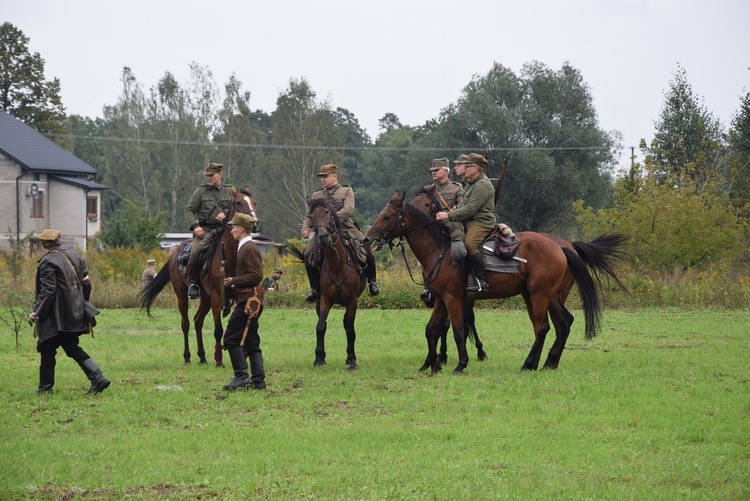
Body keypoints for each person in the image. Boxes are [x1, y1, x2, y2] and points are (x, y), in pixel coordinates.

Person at [29, 229, 110, 395]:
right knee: (72, 347)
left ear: (43, 245)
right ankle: (97, 377)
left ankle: (45, 389)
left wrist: (36, 312)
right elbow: (87, 284)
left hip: (56, 317)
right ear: (58, 242)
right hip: (74, 313)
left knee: (47, 348)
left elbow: (48, 292)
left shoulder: (47, 262)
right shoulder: (75, 257)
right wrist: (81, 303)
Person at [301, 163, 379, 302]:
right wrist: (305, 228)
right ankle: (314, 289)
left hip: (345, 227)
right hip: (323, 230)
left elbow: (348, 209)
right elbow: (309, 216)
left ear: (335, 176)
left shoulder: (346, 191)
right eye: (321, 177)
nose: (323, 179)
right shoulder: (317, 194)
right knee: (307, 254)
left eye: (326, 176)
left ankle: (372, 282)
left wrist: (331, 219)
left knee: (365, 245)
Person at [436, 153, 496, 292]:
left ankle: (482, 281)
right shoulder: (471, 182)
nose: (463, 168)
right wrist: (458, 208)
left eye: (466, 166)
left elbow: (470, 209)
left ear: (475, 168)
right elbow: (466, 204)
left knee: (469, 244)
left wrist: (448, 214)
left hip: (481, 222)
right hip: (469, 220)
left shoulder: (482, 185)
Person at [222, 212, 266, 390]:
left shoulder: (248, 248)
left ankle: (241, 377)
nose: (232, 230)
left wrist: (234, 281)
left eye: (233, 227)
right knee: (251, 341)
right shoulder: (244, 246)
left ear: (240, 229)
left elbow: (257, 275)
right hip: (247, 299)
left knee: (231, 337)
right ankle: (259, 381)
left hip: (249, 300)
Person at [184, 162, 236, 299]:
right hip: (206, 230)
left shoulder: (230, 190)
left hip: (226, 230)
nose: (208, 178)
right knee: (195, 252)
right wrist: (196, 227)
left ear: (220, 174)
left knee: (242, 250)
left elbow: (236, 207)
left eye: (211, 175)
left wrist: (225, 213)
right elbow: (189, 210)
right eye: (207, 175)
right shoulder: (200, 191)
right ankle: (193, 283)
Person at [421, 157, 465, 305]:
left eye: (436, 170)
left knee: (459, 248)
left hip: (450, 225)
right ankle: (428, 287)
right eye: (432, 171)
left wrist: (450, 213)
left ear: (445, 171)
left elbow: (462, 206)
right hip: (433, 228)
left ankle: (459, 278)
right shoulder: (428, 189)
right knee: (424, 255)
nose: (433, 173)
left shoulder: (456, 188)